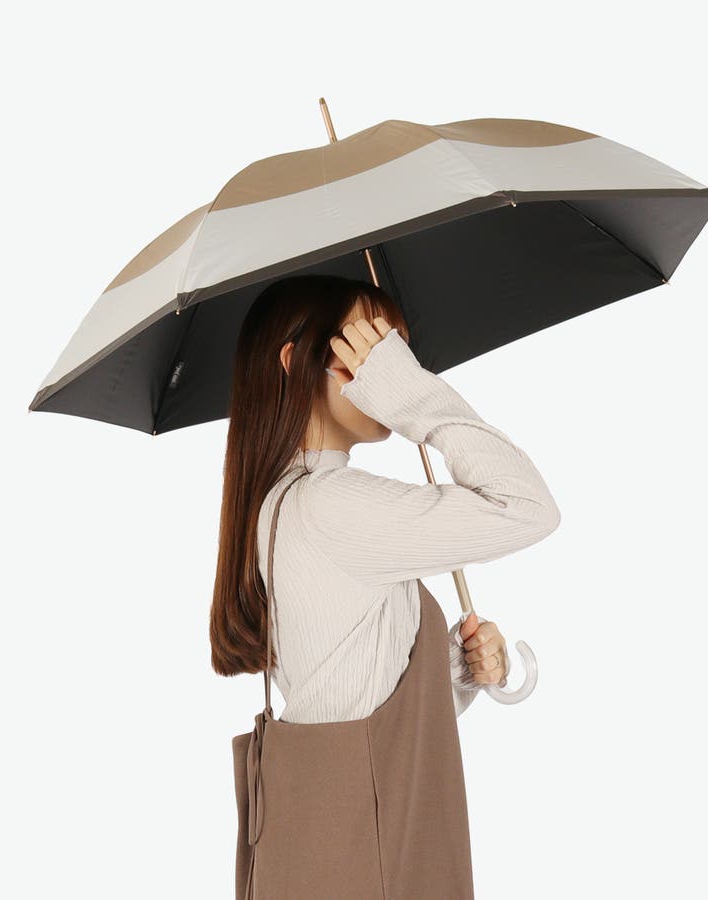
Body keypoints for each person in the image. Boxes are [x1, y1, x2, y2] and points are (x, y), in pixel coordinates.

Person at [211, 274, 561, 898]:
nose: (387, 362)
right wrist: (411, 396)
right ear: (295, 362)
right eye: (367, 348)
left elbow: (355, 708)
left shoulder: (286, 503)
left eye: (394, 349)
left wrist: (454, 671)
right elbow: (528, 507)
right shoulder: (328, 505)